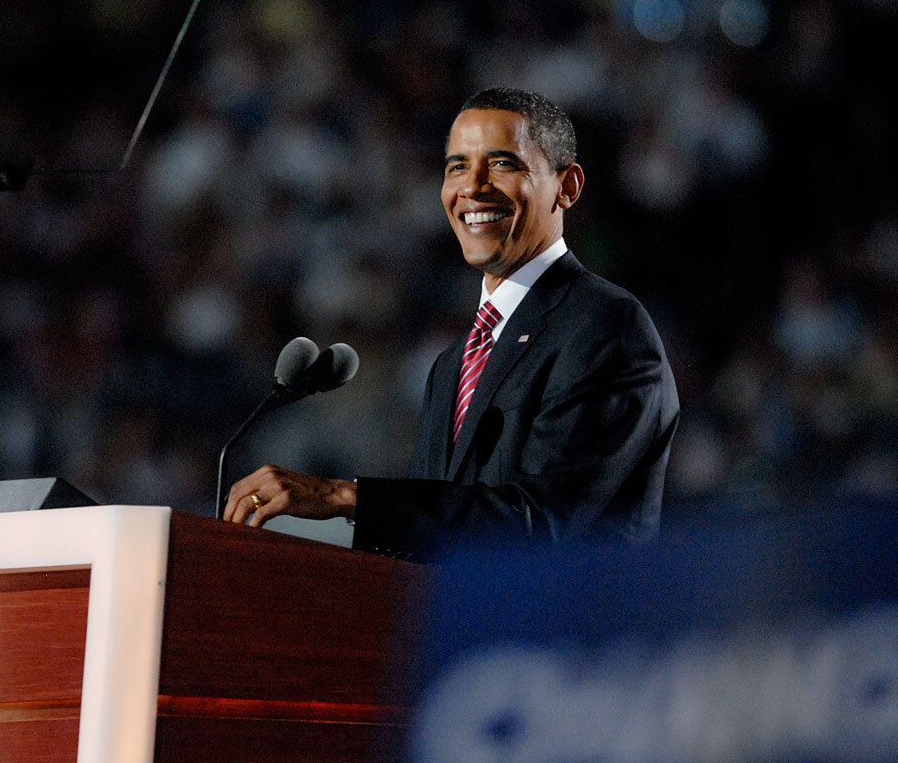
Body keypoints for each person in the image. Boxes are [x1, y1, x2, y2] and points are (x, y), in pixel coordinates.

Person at [223, 88, 679, 559]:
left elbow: (545, 522)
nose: (472, 186)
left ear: (567, 187)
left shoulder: (606, 326)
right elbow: (431, 538)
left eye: (502, 164)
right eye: (457, 166)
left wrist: (347, 497)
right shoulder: (451, 366)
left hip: (563, 630)